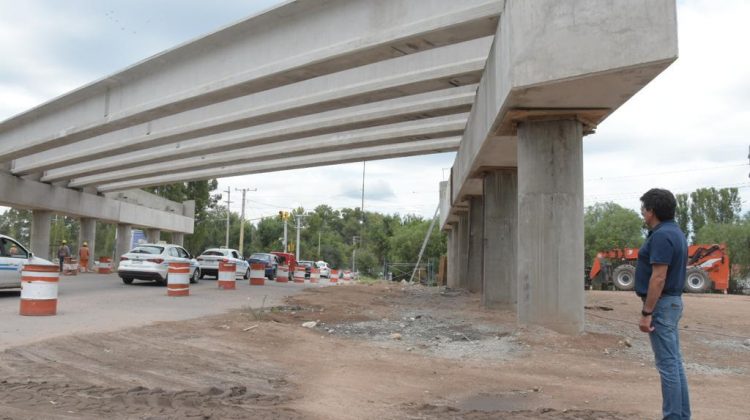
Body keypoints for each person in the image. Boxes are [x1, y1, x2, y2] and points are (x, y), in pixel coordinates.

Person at [636, 188, 690, 419]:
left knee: (668, 366)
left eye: (643, 209)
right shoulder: (676, 232)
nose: (642, 214)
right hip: (672, 303)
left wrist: (647, 312)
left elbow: (658, 277)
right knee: (674, 364)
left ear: (651, 211)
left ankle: (673, 417)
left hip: (662, 305)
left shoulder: (660, 236)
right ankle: (681, 415)